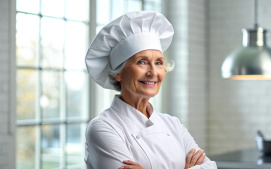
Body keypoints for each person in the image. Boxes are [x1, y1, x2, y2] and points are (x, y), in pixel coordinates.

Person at [85, 11, 217, 169]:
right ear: (118, 73)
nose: (153, 72)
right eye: (142, 62)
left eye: (159, 63)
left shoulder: (172, 123)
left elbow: (209, 166)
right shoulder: (103, 127)